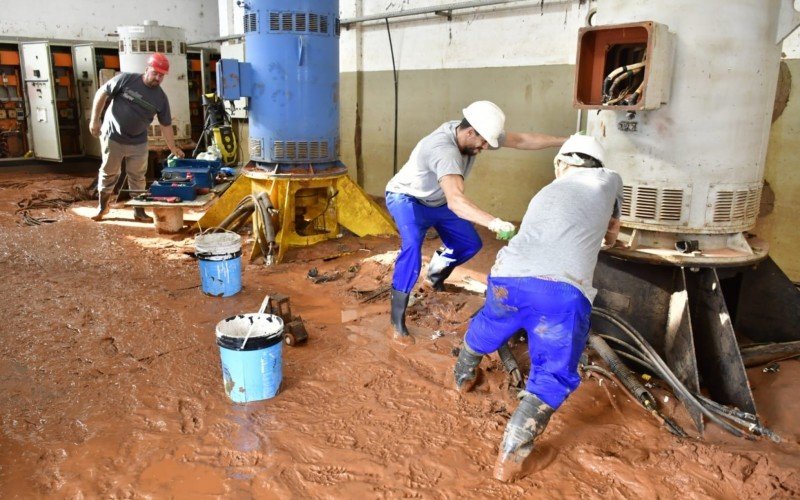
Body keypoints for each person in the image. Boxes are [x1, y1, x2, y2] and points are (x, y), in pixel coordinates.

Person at [451, 134, 623, 482]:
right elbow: (612, 233)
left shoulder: (546, 192)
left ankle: (462, 378)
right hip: (559, 293)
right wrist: (605, 240)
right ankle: (510, 458)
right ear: (598, 165)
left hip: (506, 279)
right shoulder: (611, 179)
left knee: (489, 325)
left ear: (561, 164)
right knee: (553, 372)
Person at [384, 101, 566, 342]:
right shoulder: (443, 150)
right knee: (412, 246)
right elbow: (456, 201)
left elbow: (521, 140)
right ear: (470, 132)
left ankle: (436, 274)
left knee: (469, 244)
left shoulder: (474, 130)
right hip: (407, 198)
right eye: (482, 143)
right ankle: (397, 320)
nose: (485, 148)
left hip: (437, 200)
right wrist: (494, 222)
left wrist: (565, 141)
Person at [89, 52, 185, 222]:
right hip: (113, 135)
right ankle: (102, 207)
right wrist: (95, 120)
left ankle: (139, 211)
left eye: (161, 75)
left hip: (138, 141)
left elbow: (166, 125)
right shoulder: (126, 79)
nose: (157, 78)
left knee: (138, 177)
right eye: (155, 73)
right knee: (109, 173)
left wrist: (173, 148)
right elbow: (102, 93)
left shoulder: (161, 98)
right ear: (147, 69)